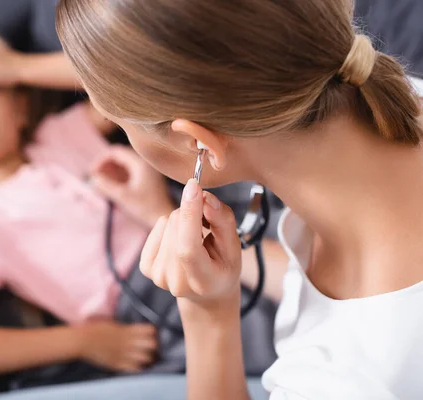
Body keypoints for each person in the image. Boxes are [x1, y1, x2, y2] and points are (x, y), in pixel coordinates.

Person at [50, 0, 423, 399]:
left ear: (198, 143)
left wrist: (208, 319)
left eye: (113, 119)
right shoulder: (401, 93)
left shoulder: (341, 378)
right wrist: (160, 216)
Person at [0, 23, 177, 380]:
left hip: (188, 234)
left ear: (19, 106)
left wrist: (16, 66)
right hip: (149, 312)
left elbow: (128, 73)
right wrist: (83, 341)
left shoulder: (63, 135)